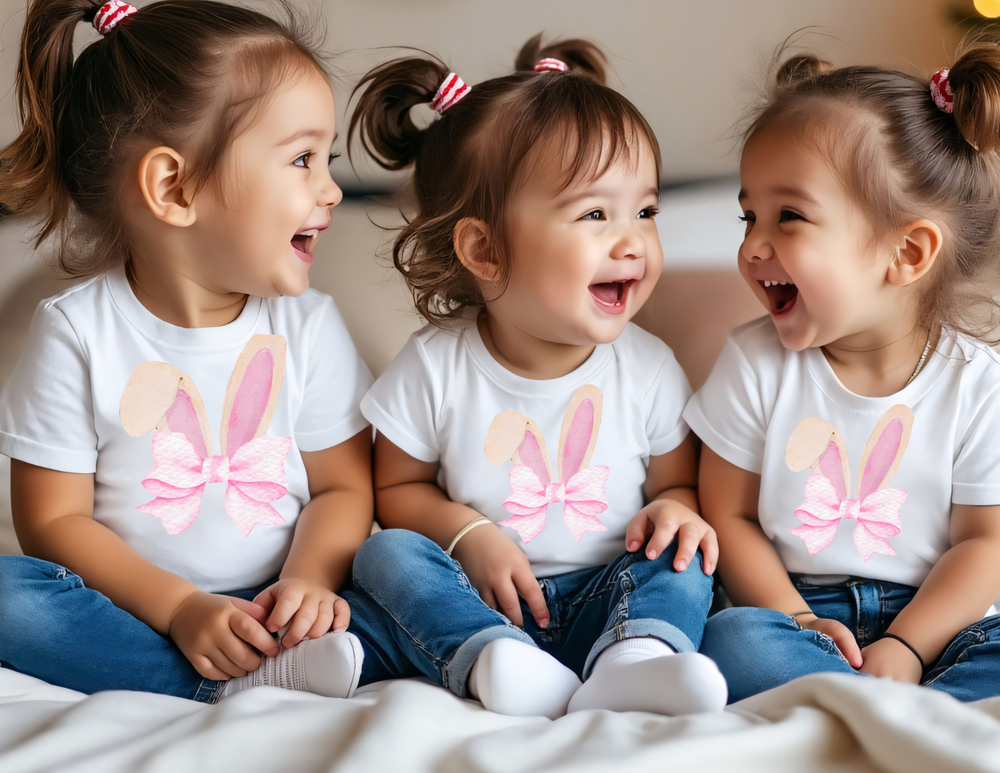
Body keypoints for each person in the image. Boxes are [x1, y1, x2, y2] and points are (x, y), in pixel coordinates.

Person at [341, 35, 728, 719]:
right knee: (385, 555)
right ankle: (490, 656)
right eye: (595, 215)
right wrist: (469, 536)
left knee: (687, 557)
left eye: (646, 211)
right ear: (485, 249)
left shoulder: (646, 365)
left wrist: (674, 507)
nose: (633, 239)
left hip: (613, 592)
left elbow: (676, 482)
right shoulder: (436, 364)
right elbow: (394, 488)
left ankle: (635, 657)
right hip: (481, 594)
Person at [0, 0, 375, 702]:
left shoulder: (309, 325)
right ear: (173, 187)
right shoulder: (77, 331)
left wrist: (310, 582)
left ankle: (293, 654)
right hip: (140, 608)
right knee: (7, 594)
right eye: (301, 159)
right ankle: (211, 681)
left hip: (286, 597)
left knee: (398, 563)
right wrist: (179, 608)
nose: (329, 189)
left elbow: (346, 488)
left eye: (326, 161)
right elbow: (51, 521)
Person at [689, 49, 1000, 703]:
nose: (752, 246)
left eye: (789, 216)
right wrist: (797, 618)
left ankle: (875, 703)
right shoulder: (755, 364)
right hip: (796, 610)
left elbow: (984, 543)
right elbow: (729, 513)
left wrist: (910, 645)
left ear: (907, 253)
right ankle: (874, 706)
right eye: (750, 216)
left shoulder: (978, 383)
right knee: (729, 643)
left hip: (940, 621)